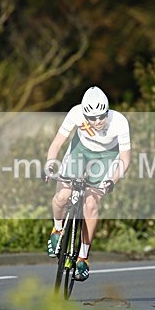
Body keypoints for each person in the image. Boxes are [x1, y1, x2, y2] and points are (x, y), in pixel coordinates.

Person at [43, 86, 131, 281]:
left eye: (101, 116)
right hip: (80, 150)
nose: (98, 121)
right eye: (92, 118)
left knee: (90, 204)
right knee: (62, 196)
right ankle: (57, 228)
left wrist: (111, 181)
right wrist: (50, 164)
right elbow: (57, 143)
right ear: (84, 114)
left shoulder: (119, 122)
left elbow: (125, 158)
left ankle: (83, 256)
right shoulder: (75, 113)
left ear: (107, 111)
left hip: (107, 156)